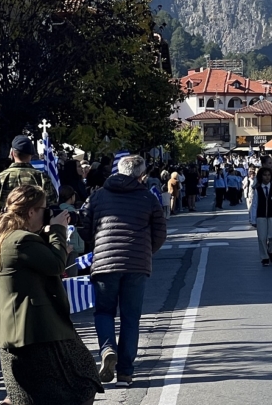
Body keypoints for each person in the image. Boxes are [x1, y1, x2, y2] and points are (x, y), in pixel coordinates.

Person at [0, 185, 102, 405]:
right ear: (30, 212)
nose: (47, 214)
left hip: (22, 329)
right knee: (80, 382)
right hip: (35, 330)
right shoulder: (21, 240)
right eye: (43, 209)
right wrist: (58, 230)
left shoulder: (5, 235)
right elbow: (56, 265)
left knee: (26, 395)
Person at [82, 155, 167, 386]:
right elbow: (160, 231)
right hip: (137, 264)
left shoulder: (97, 196)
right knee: (130, 318)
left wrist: (97, 245)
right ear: (141, 175)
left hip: (105, 262)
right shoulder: (148, 198)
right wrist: (146, 251)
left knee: (103, 312)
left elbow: (86, 227)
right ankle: (125, 373)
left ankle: (108, 347)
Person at [0, 136, 57, 224]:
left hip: (6, 230)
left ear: (12, 153)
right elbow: (51, 206)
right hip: (35, 231)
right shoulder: (41, 177)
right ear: (31, 156)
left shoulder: (0, 178)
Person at [248, 166, 272, 266]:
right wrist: (253, 219)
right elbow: (254, 204)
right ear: (261, 176)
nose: (267, 177)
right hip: (261, 216)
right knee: (262, 237)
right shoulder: (258, 189)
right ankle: (264, 257)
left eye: (268, 175)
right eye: (265, 175)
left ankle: (270, 250)